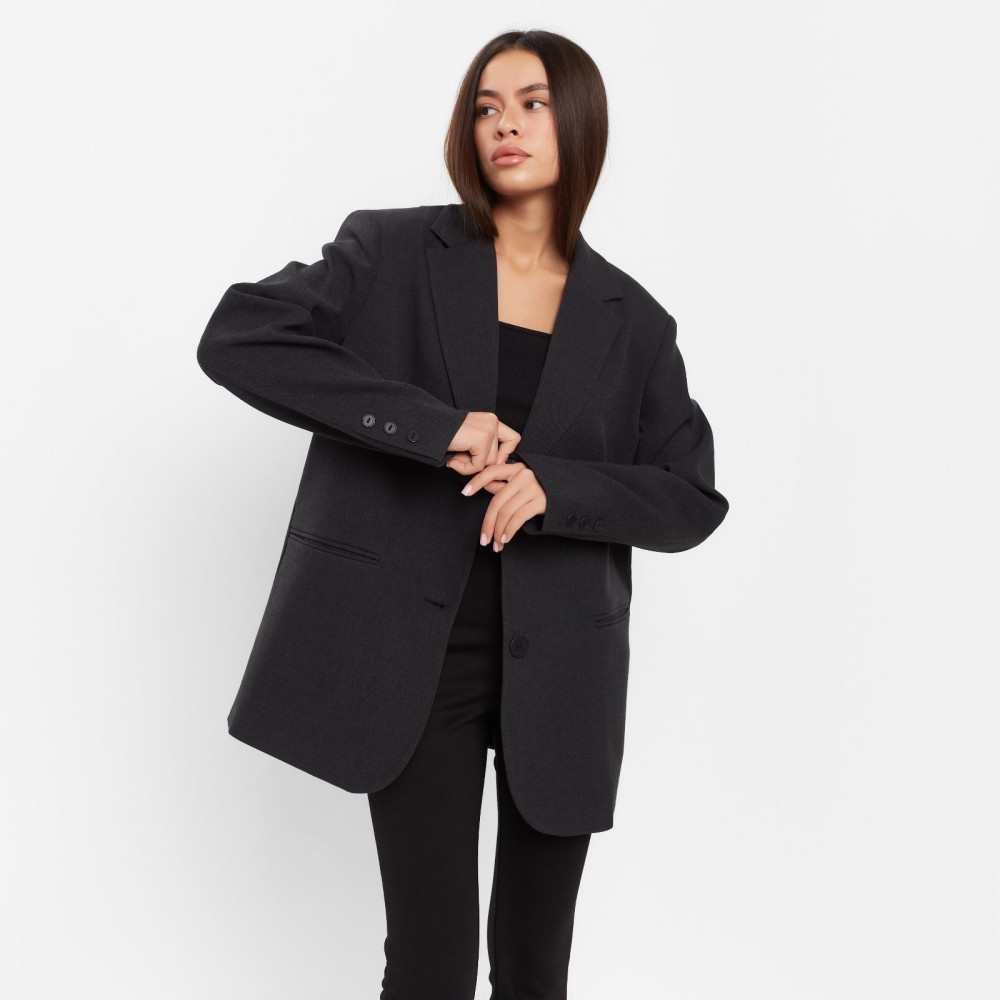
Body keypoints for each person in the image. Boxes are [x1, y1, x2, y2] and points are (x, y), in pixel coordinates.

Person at [197, 28, 729, 1000]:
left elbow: (689, 495)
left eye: (531, 103)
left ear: (579, 123)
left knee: (534, 966)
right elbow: (239, 334)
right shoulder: (392, 251)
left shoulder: (634, 322)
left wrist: (556, 488)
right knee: (431, 964)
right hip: (416, 657)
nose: (504, 125)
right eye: (486, 107)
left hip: (563, 669)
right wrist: (432, 428)